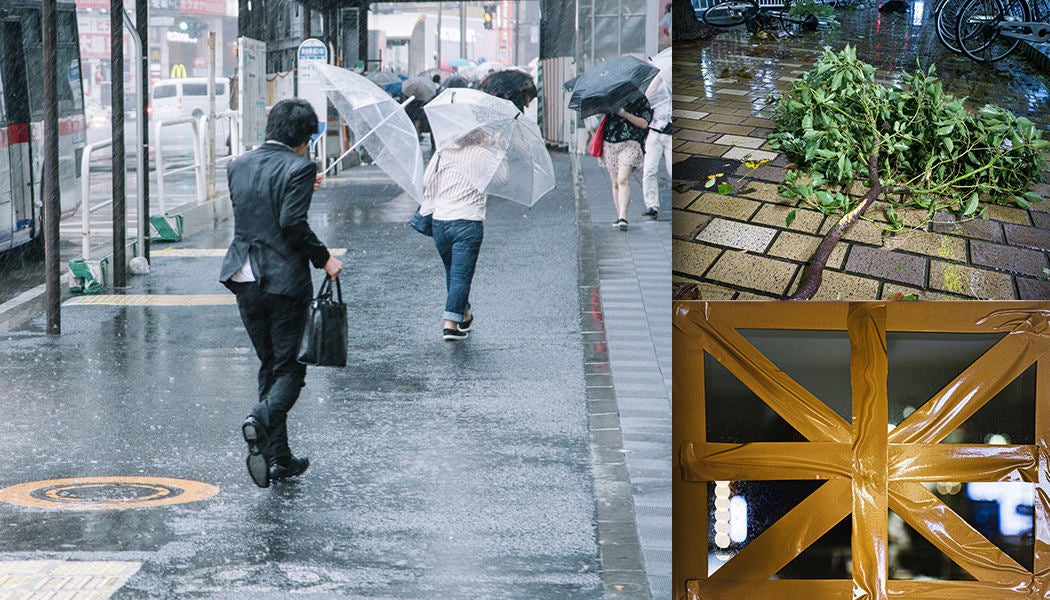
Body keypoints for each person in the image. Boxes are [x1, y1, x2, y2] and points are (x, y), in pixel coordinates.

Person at [219, 98, 343, 489]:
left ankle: (279, 457)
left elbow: (259, 202)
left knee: (270, 364)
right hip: (283, 279)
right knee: (290, 368)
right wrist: (324, 258)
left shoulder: (237, 164)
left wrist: (305, 183)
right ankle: (259, 419)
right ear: (305, 137)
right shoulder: (300, 167)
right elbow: (290, 222)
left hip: (244, 273)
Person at [418, 129, 507, 341]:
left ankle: (463, 314)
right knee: (460, 275)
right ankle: (450, 324)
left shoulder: (442, 151)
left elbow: (426, 180)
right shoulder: (481, 154)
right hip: (467, 220)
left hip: (440, 221)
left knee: (454, 272)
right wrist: (499, 148)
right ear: (477, 134)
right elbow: (502, 178)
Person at [597, 95, 653, 231]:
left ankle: (623, 217)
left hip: (631, 143)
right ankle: (620, 216)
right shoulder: (609, 98)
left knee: (623, 180)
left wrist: (624, 114)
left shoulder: (640, 99)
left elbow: (644, 123)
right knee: (615, 183)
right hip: (610, 143)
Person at [642, 76, 672, 221]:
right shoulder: (658, 82)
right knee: (649, 170)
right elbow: (645, 100)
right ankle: (651, 206)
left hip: (670, 134)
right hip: (654, 132)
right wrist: (657, 82)